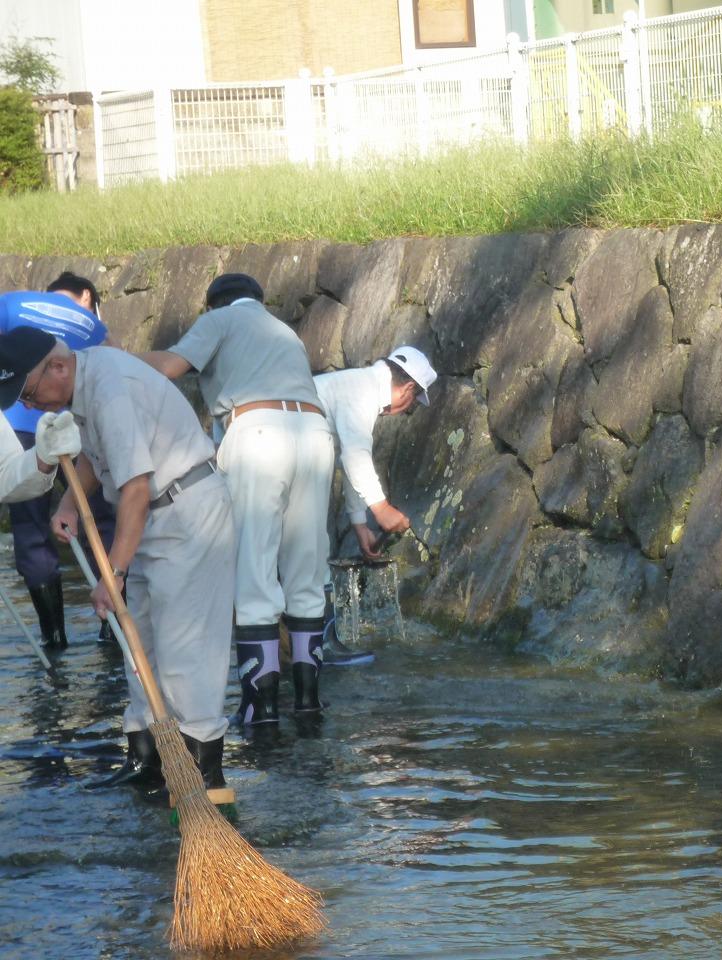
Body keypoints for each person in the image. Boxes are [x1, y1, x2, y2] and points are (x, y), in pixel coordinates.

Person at [0, 326, 236, 795]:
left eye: (27, 393)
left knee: (187, 651)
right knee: (137, 643)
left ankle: (205, 778)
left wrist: (115, 572)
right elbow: (95, 455)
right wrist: (69, 503)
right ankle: (149, 765)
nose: (28, 406)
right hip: (157, 516)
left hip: (186, 513)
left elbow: (135, 488)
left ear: (58, 367)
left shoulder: (109, 388)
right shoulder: (87, 383)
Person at [141, 273, 334, 725]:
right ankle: (308, 703)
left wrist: (111, 360)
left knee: (253, 572)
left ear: (214, 305)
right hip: (315, 433)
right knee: (306, 571)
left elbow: (170, 368)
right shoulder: (284, 332)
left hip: (259, 432)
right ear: (260, 300)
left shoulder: (221, 320)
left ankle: (260, 708)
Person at [0, 275, 118, 649]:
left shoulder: (8, 305)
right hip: (78, 420)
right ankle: (113, 621)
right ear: (87, 297)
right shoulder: (92, 322)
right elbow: (117, 362)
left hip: (21, 422)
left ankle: (54, 637)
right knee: (99, 517)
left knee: (33, 530)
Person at [314, 346, 436, 559]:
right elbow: (355, 456)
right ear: (407, 389)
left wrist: (359, 523)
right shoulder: (363, 391)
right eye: (411, 405)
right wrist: (382, 509)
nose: (406, 410)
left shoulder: (358, 383)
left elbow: (350, 458)